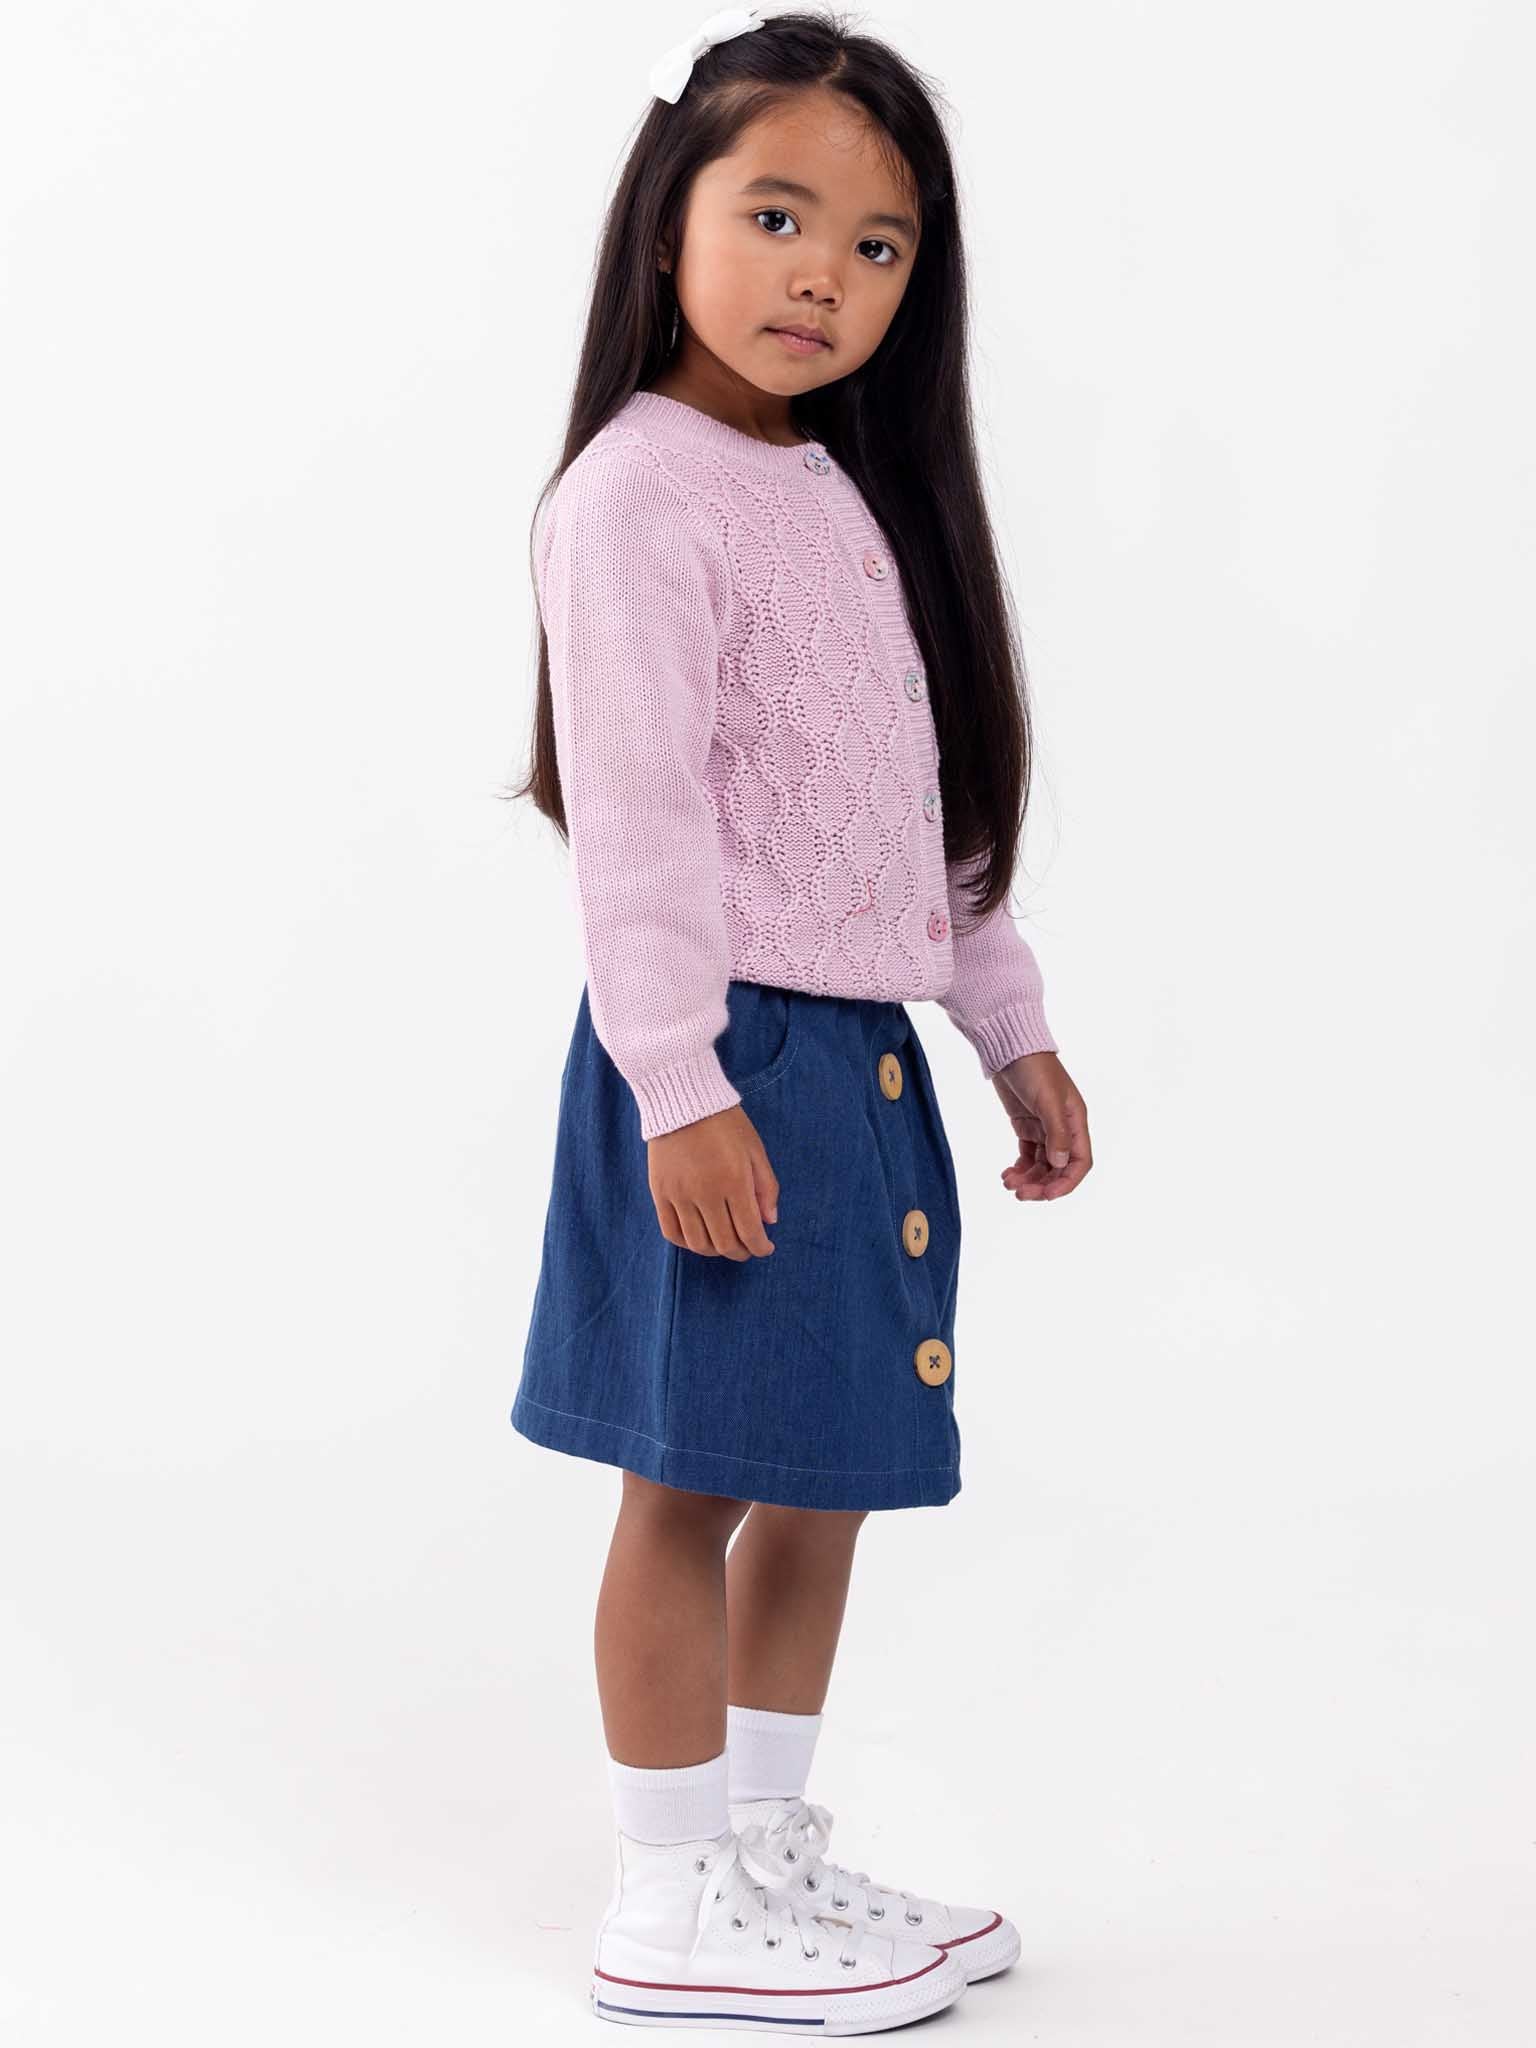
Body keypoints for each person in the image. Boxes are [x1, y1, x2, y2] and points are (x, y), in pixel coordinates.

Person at [507, 7, 1093, 2031]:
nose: (823, 275)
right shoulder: (635, 497)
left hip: (855, 1060)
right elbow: (641, 827)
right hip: (724, 1051)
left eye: (878, 243)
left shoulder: (841, 491)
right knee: (691, 1471)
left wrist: (1004, 1024)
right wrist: (677, 1081)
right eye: (776, 214)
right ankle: (667, 1893)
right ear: (667, 215)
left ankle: (762, 1845)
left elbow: (920, 807)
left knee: (824, 1464)